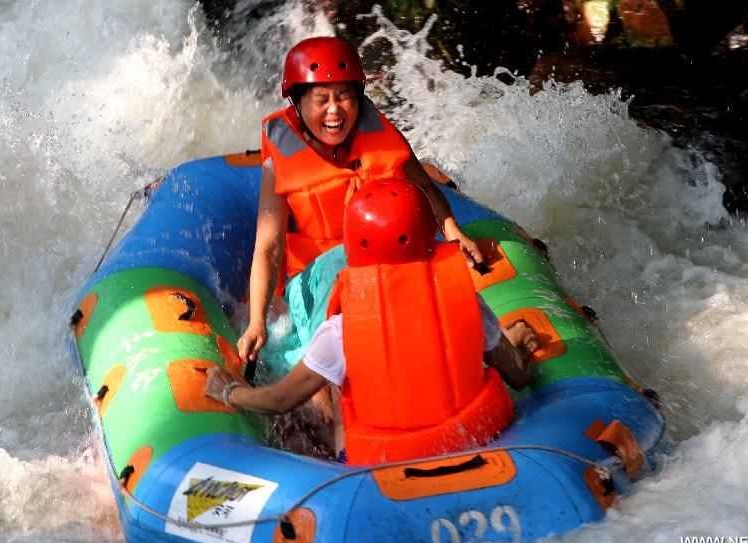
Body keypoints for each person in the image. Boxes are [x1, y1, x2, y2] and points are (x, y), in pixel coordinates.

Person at [208, 179, 538, 465]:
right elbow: (519, 377)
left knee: (336, 392)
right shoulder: (466, 301)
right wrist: (519, 345)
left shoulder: (341, 328)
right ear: (429, 236)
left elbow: (279, 400)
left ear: (353, 251)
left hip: (377, 471)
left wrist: (231, 392)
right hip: (473, 447)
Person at [239, 36, 483, 366]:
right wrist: (257, 321)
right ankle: (332, 406)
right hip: (317, 277)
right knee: (334, 332)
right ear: (297, 104)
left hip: (386, 265)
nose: (334, 110)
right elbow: (269, 245)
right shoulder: (281, 160)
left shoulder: (380, 135)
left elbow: (424, 188)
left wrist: (454, 232)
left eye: (344, 97)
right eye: (321, 99)